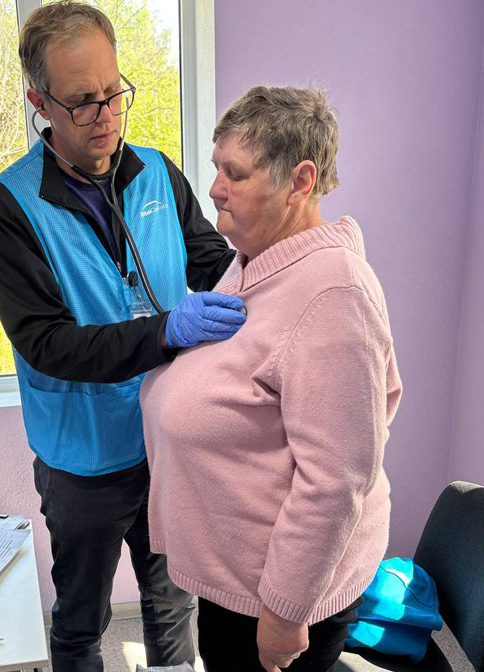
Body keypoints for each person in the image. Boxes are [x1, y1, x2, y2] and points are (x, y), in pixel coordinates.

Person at [0, 3, 248, 671]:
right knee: (80, 620)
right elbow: (48, 344)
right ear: (40, 103)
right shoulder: (7, 207)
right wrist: (167, 330)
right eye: (81, 103)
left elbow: (215, 264)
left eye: (112, 92)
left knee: (173, 603)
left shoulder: (158, 174)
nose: (105, 116)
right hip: (84, 463)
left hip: (166, 439)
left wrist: (280, 264)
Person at [141, 85, 404, 672]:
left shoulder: (332, 294)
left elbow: (335, 480)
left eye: (234, 173)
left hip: (276, 599)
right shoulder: (253, 261)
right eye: (216, 168)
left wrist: (285, 615)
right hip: (236, 579)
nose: (214, 188)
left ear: (300, 182)